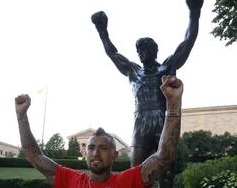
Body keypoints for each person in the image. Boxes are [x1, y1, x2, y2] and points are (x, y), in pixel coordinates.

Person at [91, 0, 206, 186]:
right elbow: (113, 53)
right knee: (136, 171)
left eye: (145, 49)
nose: (141, 53)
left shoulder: (167, 67)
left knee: (166, 172)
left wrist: (194, 11)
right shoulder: (133, 71)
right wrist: (102, 31)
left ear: (154, 51)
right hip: (141, 121)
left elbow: (188, 41)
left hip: (163, 119)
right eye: (139, 50)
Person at [15, 75, 183, 188]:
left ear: (115, 155)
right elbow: (34, 156)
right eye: (91, 147)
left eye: (103, 148)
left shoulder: (127, 181)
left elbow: (164, 157)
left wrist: (173, 105)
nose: (95, 152)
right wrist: (21, 115)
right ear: (85, 152)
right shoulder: (72, 181)